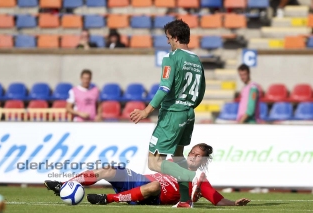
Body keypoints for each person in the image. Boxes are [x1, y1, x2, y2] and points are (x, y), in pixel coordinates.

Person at [129, 19, 206, 208]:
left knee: (154, 162)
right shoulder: (196, 60)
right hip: (188, 114)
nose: (168, 42)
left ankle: (188, 176)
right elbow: (202, 91)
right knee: (178, 157)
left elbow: (164, 87)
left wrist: (147, 110)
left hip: (172, 114)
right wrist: (189, 106)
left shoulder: (171, 57)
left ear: (177, 38)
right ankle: (185, 200)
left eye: (169, 38)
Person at [44, 143, 250, 207]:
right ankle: (65, 185)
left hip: (152, 195)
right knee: (109, 167)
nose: (193, 157)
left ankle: (107, 199)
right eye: (192, 153)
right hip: (139, 182)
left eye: (198, 156)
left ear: (203, 161)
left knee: (155, 187)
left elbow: (217, 199)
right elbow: (154, 162)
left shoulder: (199, 180)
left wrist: (234, 204)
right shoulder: (173, 163)